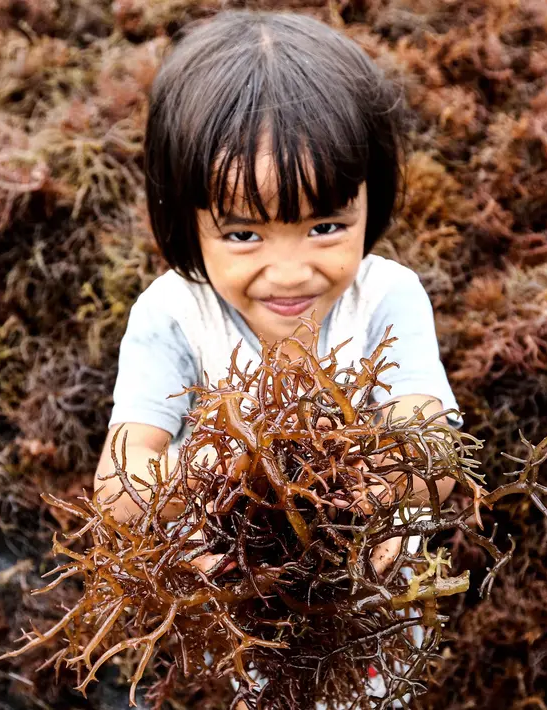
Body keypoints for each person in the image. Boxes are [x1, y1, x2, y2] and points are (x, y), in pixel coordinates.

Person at [91, 9, 463, 708]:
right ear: (183, 218)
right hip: (235, 605)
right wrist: (199, 476)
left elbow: (435, 446)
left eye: (325, 226)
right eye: (242, 233)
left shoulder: (387, 297)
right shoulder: (171, 315)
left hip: (372, 602)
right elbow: (119, 482)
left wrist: (387, 487)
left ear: (370, 203)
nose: (289, 272)